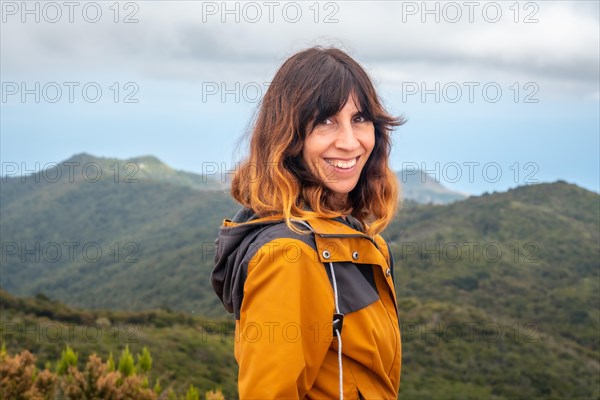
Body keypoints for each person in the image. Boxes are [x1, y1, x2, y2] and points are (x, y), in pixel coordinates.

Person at [211, 46, 404, 399]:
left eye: (360, 119)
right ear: (288, 137)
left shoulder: (355, 239)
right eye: (325, 121)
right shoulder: (290, 256)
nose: (349, 142)